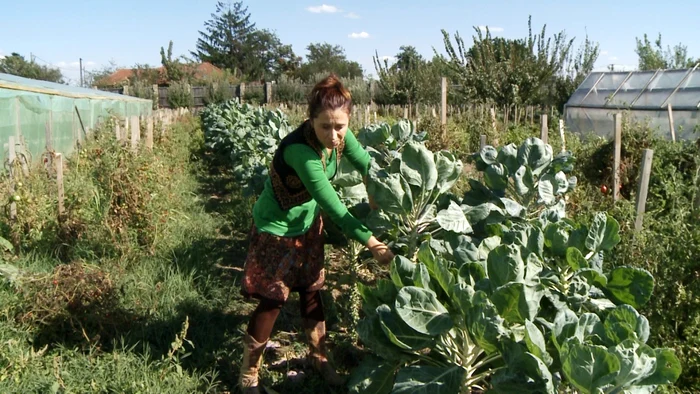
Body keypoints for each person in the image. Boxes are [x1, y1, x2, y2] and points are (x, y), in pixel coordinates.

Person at [238, 74, 395, 393]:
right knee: (272, 301)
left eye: (341, 126)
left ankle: (318, 357)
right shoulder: (300, 151)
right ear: (311, 120)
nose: (335, 135)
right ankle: (248, 374)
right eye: (326, 127)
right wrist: (373, 243)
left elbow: (366, 163)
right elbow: (335, 207)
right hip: (276, 228)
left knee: (312, 291)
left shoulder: (339, 134)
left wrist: (373, 187)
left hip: (308, 224)